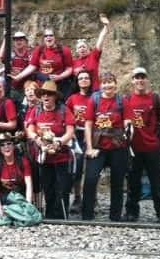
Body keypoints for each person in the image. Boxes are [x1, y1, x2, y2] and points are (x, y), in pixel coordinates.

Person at [124, 67, 160, 222]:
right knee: (133, 182)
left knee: (156, 181)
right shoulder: (127, 100)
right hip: (133, 148)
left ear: (147, 80)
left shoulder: (156, 99)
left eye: (142, 77)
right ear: (132, 81)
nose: (140, 80)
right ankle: (132, 212)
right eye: (137, 77)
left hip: (153, 146)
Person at [82, 71, 130, 221]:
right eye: (105, 82)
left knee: (117, 182)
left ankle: (115, 216)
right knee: (90, 179)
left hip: (117, 146)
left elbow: (127, 121)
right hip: (98, 147)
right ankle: (87, 215)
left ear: (115, 84)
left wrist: (129, 129)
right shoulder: (94, 100)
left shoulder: (122, 101)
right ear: (100, 85)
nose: (107, 84)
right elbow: (88, 124)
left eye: (110, 81)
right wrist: (89, 148)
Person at [26, 81, 75, 219]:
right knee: (47, 186)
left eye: (49, 94)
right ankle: (50, 215)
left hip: (61, 156)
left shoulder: (64, 110)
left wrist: (59, 142)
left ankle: (62, 217)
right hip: (44, 155)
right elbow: (30, 128)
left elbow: (70, 131)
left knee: (62, 187)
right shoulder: (36, 110)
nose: (46, 96)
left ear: (55, 96)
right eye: (43, 94)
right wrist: (37, 139)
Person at [11, 28, 74, 101]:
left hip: (59, 85)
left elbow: (69, 68)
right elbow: (32, 66)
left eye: (51, 35)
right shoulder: (39, 50)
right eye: (46, 36)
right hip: (42, 84)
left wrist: (60, 76)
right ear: (43, 38)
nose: (48, 37)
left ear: (55, 37)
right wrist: (19, 76)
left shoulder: (64, 50)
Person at [64, 70, 94, 213]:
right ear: (77, 82)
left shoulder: (96, 97)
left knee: (92, 168)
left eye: (86, 78)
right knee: (77, 167)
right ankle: (77, 197)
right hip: (76, 135)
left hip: (92, 135)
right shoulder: (72, 99)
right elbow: (66, 116)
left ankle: (92, 198)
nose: (83, 80)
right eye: (80, 78)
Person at [0, 132, 33, 217]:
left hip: (20, 197)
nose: (6, 147)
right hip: (4, 197)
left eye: (9, 143)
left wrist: (28, 205)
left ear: (13, 146)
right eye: (2, 145)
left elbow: (29, 184)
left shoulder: (23, 162)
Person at [72, 14, 110, 91]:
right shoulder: (73, 62)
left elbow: (100, 40)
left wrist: (106, 26)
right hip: (80, 92)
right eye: (79, 47)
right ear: (77, 51)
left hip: (94, 91)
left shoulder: (93, 56)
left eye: (84, 46)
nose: (82, 49)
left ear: (88, 49)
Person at [0, 31, 32, 96]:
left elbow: (33, 68)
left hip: (26, 89)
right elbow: (1, 56)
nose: (18, 42)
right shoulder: (12, 54)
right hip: (12, 88)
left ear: (25, 41)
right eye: (16, 40)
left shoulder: (30, 54)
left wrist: (20, 73)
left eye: (21, 40)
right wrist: (5, 38)